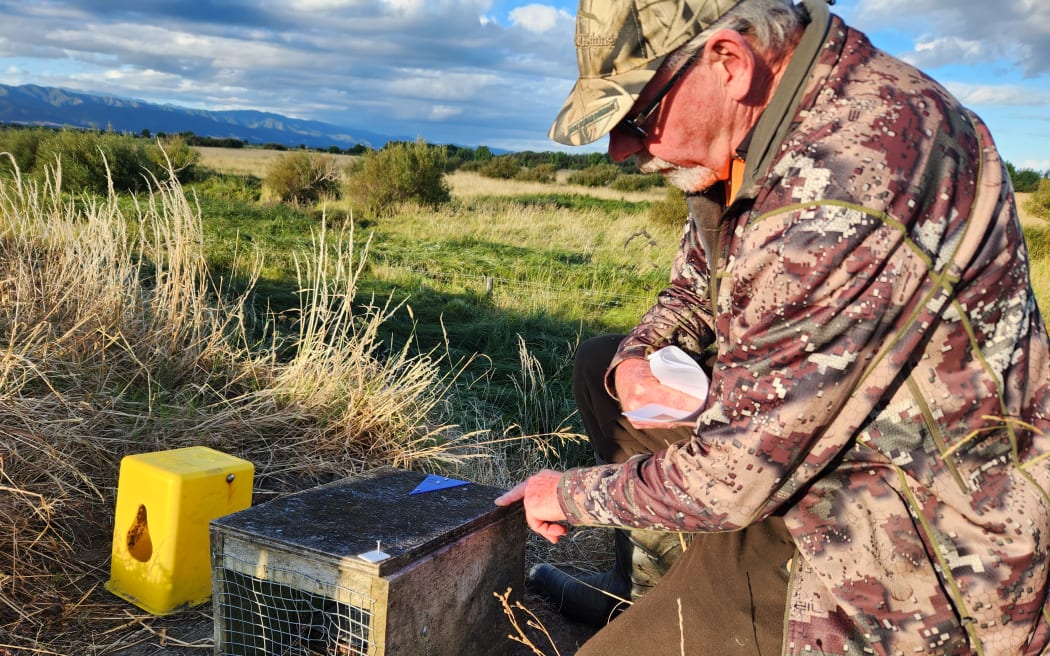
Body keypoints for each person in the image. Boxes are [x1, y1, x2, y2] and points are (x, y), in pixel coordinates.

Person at [495, 0, 1050, 653]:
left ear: (729, 62)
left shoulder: (842, 179)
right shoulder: (757, 134)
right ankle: (646, 594)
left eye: (636, 117)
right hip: (800, 452)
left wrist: (569, 494)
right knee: (603, 364)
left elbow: (736, 475)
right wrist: (642, 354)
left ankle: (689, 614)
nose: (620, 149)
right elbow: (695, 287)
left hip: (904, 536)